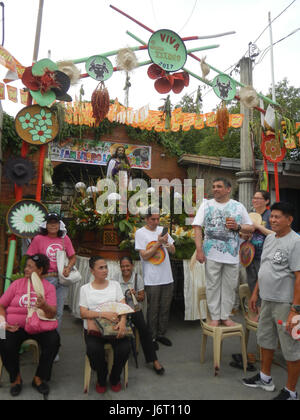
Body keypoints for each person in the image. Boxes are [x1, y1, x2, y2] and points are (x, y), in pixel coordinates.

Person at [242, 201, 300, 400]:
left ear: (289, 220)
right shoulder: (270, 239)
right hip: (266, 300)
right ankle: (265, 378)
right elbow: (264, 268)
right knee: (266, 340)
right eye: (272, 216)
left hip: (285, 304)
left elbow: (299, 277)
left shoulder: (296, 242)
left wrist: (295, 309)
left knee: (291, 348)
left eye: (277, 217)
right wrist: (255, 293)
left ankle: (291, 391)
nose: (273, 220)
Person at [193, 178, 253, 327]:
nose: (215, 189)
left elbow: (250, 227)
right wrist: (199, 250)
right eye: (213, 186)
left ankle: (225, 316)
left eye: (219, 186)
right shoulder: (206, 205)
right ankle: (214, 316)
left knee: (229, 286)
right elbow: (197, 227)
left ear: (228, 189)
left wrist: (238, 227)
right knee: (212, 285)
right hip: (211, 253)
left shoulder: (238, 206)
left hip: (232, 254)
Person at [0, 254, 60, 397]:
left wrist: (44, 305)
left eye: (30, 267)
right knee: (2, 337)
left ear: (40, 270)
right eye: (26, 266)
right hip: (15, 326)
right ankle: (15, 378)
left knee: (54, 340)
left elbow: (52, 314)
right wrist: (3, 324)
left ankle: (39, 378)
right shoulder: (17, 284)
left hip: (39, 326)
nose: (26, 269)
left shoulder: (48, 288)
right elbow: (1, 305)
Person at [79, 256, 131, 394]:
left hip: (114, 327)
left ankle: (114, 377)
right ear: (92, 271)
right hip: (94, 330)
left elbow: (123, 306)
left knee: (125, 347)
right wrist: (103, 314)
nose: (104, 270)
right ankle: (101, 377)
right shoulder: (85, 289)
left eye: (106, 267)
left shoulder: (115, 285)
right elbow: (83, 313)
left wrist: (123, 322)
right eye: (100, 267)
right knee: (94, 350)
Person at [114, 256, 165, 375]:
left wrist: (135, 295)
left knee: (145, 331)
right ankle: (115, 358)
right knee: (114, 329)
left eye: (127, 266)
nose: (125, 268)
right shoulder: (115, 278)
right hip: (120, 311)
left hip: (134, 310)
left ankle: (154, 360)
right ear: (120, 267)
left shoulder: (138, 278)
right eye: (123, 266)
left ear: (132, 266)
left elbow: (142, 298)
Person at [26, 212, 76, 333]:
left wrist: (68, 268)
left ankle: (54, 342)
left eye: (55, 223)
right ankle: (43, 338)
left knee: (58, 312)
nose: (53, 225)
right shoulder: (38, 239)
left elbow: (73, 257)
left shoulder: (65, 239)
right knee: (44, 310)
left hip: (62, 280)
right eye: (50, 223)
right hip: (45, 279)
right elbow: (30, 258)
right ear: (46, 225)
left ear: (60, 225)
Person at [135, 208, 175, 349]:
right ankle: (151, 337)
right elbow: (144, 255)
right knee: (153, 309)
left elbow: (173, 250)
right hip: (152, 278)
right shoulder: (140, 233)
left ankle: (161, 334)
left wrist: (166, 244)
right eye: (153, 219)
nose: (156, 222)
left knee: (165, 307)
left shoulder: (163, 231)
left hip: (167, 276)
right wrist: (158, 243)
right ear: (146, 219)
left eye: (158, 219)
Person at [241, 190, 273, 316]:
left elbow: (274, 234)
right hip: (250, 255)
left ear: (266, 201)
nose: (255, 200)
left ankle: (264, 314)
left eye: (258, 198)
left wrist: (258, 226)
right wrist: (244, 235)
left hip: (265, 256)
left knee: (263, 285)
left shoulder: (270, 216)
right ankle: (256, 312)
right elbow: (245, 235)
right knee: (252, 283)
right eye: (254, 198)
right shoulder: (250, 215)